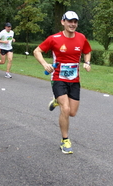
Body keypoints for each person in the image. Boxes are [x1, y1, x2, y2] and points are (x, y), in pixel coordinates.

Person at [33, 11, 92, 154]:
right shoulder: (54, 39)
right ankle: (65, 140)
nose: (72, 24)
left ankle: (56, 101)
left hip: (74, 80)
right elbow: (37, 51)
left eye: (75, 22)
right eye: (70, 21)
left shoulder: (81, 38)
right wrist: (44, 64)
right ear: (63, 22)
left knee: (72, 112)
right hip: (58, 78)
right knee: (65, 109)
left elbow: (87, 51)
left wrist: (87, 62)